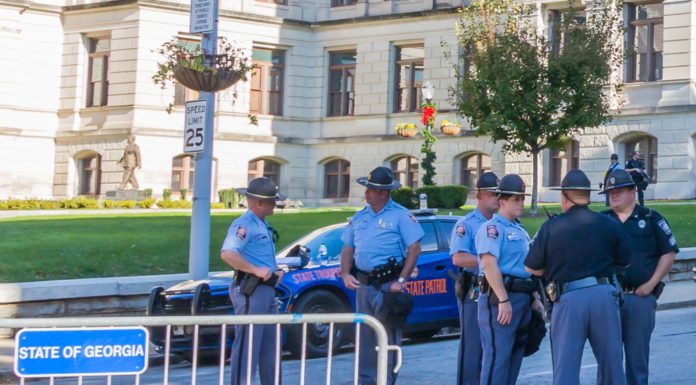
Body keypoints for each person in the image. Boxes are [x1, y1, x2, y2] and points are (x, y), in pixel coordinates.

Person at [524, 169, 632, 385]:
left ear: (564, 196)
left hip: (569, 298)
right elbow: (625, 261)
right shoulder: (609, 223)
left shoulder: (551, 226)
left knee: (566, 367)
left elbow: (532, 268)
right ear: (588, 196)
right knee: (612, 364)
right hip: (604, 295)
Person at [340, 166, 424, 385]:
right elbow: (348, 248)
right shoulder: (360, 217)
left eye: (371, 189)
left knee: (387, 335)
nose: (366, 192)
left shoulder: (401, 215)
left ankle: (385, 379)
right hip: (364, 284)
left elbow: (414, 248)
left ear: (384, 193)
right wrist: (346, 274)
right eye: (367, 188)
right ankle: (366, 380)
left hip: (388, 285)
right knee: (365, 336)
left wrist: (402, 280)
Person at [600, 169, 678, 385]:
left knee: (637, 359)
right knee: (608, 358)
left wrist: (651, 284)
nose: (613, 195)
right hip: (607, 298)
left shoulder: (651, 218)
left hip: (639, 298)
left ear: (633, 192)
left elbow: (669, 252)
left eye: (619, 191)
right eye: (610, 192)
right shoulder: (601, 220)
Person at [474, 174, 539, 385]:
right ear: (502, 201)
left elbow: (525, 267)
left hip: (521, 297)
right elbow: (489, 264)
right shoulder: (493, 229)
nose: (521, 203)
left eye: (522, 198)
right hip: (500, 298)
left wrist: (533, 297)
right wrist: (503, 299)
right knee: (498, 357)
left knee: (516, 353)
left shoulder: (518, 230)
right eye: (516, 199)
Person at [221, 177, 286, 385]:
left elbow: (258, 256)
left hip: (265, 290)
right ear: (259, 203)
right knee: (248, 345)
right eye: (271, 201)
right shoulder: (244, 224)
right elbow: (228, 253)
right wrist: (255, 270)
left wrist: (274, 271)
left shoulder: (261, 224)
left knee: (270, 347)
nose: (275, 204)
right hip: (252, 291)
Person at [449, 172, 499, 385]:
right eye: (492, 194)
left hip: (500, 291)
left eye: (499, 194)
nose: (497, 198)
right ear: (479, 195)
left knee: (496, 345)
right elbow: (458, 257)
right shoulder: (467, 223)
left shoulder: (504, 222)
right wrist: (489, 262)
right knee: (473, 346)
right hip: (475, 290)